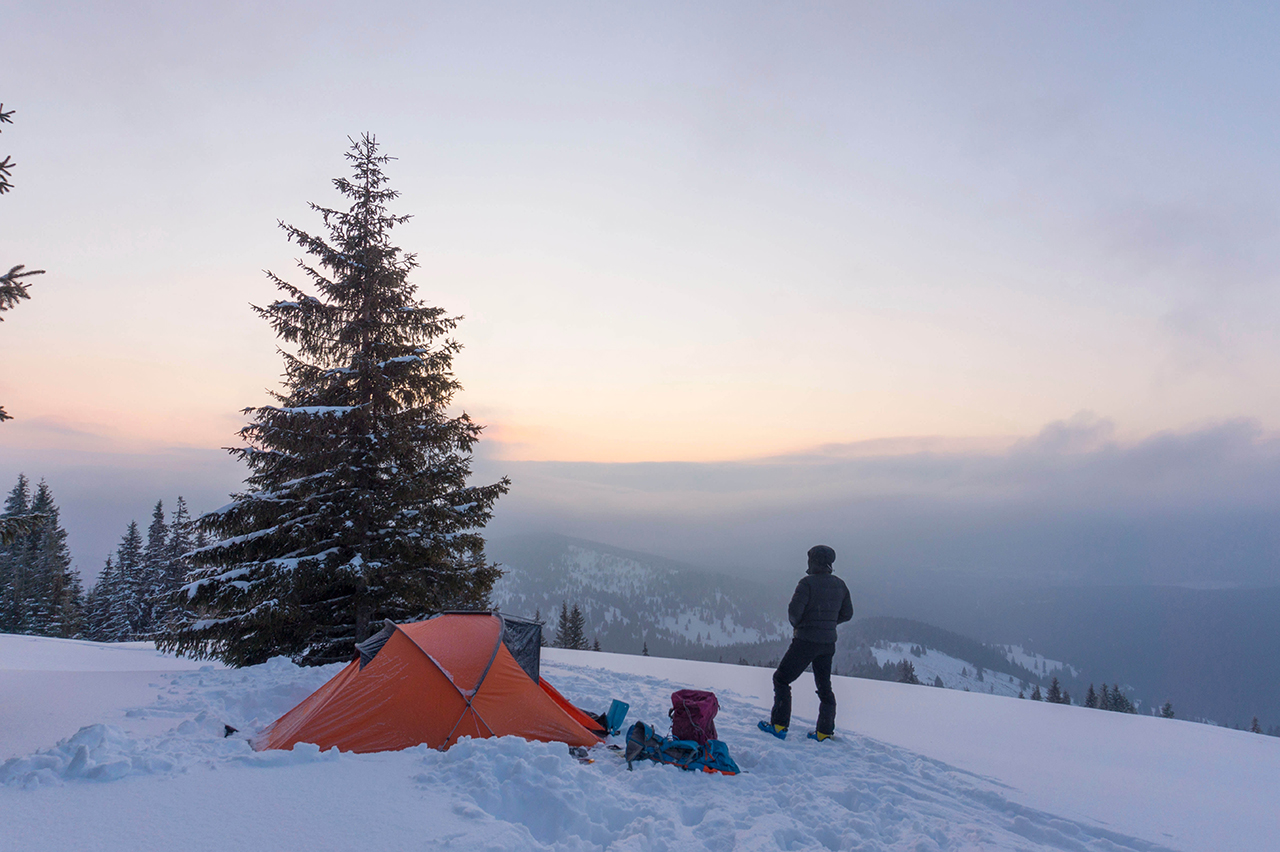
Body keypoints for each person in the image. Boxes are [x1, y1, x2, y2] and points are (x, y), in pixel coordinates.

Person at [758, 544, 853, 741]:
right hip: (828, 643)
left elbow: (794, 613)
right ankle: (824, 732)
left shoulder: (807, 583)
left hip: (806, 641)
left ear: (812, 561)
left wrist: (803, 625)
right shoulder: (840, 584)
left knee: (781, 679)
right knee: (824, 687)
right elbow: (847, 614)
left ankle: (779, 726)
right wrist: (828, 624)